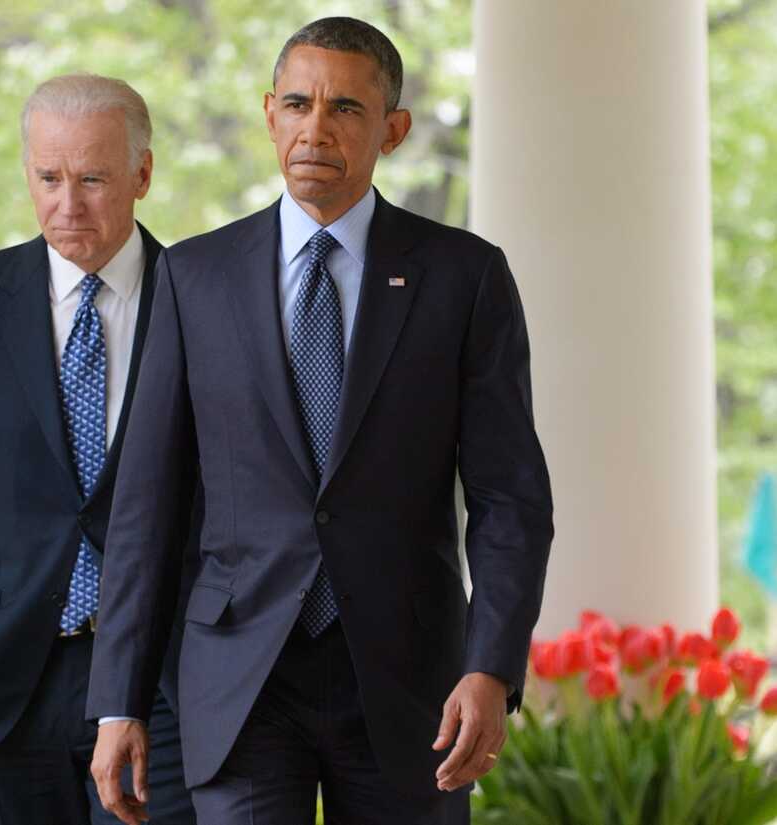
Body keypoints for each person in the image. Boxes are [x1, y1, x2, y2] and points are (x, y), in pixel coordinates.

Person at [87, 17, 553, 825]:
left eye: (345, 109)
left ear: (393, 130)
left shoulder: (463, 278)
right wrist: (117, 699)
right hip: (242, 676)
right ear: (269, 113)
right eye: (297, 103)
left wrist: (492, 665)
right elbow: (146, 505)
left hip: (412, 684)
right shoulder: (194, 277)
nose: (315, 128)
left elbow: (512, 501)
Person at [0, 74, 197, 825]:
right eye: (48, 177)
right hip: (0, 676)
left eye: (92, 178)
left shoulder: (202, 294)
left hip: (164, 679)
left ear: (142, 175)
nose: (67, 203)